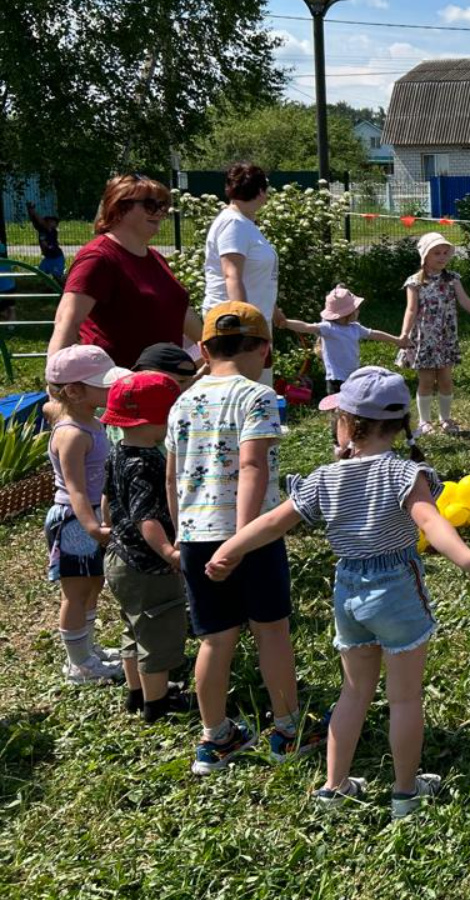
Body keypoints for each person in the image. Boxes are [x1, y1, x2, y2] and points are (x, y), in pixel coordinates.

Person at [206, 367, 470, 819]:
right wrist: (468, 561)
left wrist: (230, 547)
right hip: (397, 591)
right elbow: (430, 521)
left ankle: (334, 787)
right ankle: (406, 793)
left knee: (353, 692)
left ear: (345, 423)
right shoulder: (405, 474)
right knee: (404, 697)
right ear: (402, 424)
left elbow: (273, 522)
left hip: (348, 591)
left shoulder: (326, 477)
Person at [169, 302, 326, 775]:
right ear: (264, 348)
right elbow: (253, 465)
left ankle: (215, 739)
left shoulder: (182, 401)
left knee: (214, 639)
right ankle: (287, 730)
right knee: (271, 630)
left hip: (195, 536)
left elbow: (172, 475)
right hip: (250, 535)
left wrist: (181, 537)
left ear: (203, 349)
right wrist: (240, 539)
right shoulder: (256, 396)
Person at [101, 371, 194, 720]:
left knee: (133, 627)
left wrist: (111, 531)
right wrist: (169, 552)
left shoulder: (118, 453)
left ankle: (137, 693)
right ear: (161, 418)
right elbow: (148, 519)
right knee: (157, 632)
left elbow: (107, 499)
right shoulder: (146, 463)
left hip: (119, 557)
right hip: (147, 564)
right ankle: (157, 705)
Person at [43, 346, 131, 684]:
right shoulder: (71, 434)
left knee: (93, 584)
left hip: (91, 518)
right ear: (74, 391)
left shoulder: (91, 421)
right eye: (102, 384)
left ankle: (87, 651)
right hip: (75, 522)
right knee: (76, 592)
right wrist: (93, 526)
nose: (111, 389)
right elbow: (75, 489)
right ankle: (78, 664)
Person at [50, 174, 202, 367]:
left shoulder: (155, 258)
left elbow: (180, 312)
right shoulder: (98, 257)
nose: (160, 212)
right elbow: (67, 322)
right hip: (116, 385)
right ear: (120, 207)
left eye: (163, 205)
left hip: (163, 382)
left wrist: (215, 348)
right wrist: (56, 383)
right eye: (150, 205)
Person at [397, 233, 470, 436]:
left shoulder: (453, 279)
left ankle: (445, 418)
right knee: (426, 381)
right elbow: (411, 309)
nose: (442, 257)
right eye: (437, 253)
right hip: (424, 339)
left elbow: (465, 301)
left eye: (446, 253)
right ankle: (425, 422)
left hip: (445, 338)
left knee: (445, 379)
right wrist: (404, 334)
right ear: (425, 255)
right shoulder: (415, 282)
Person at [202, 163, 282, 387]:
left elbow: (255, 275)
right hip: (235, 326)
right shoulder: (233, 223)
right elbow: (232, 275)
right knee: (245, 388)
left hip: (255, 320)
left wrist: (273, 309)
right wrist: (244, 325)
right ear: (260, 191)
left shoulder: (245, 223)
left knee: (257, 387)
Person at [280, 285, 408, 397]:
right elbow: (306, 327)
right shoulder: (328, 328)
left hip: (353, 377)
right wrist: (285, 323)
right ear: (347, 313)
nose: (358, 311)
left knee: (351, 408)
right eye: (355, 308)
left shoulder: (355, 328)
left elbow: (374, 334)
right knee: (337, 411)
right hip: (336, 379)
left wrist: (396, 340)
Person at [26, 201, 66, 284]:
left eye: (53, 221)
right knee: (41, 275)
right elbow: (35, 221)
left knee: (57, 277)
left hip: (56, 258)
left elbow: (40, 222)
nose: (50, 222)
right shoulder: (42, 230)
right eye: (48, 220)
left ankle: (63, 290)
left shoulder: (52, 231)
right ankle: (47, 289)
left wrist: (33, 211)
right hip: (48, 258)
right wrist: (30, 210)